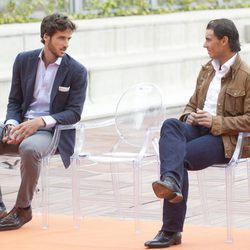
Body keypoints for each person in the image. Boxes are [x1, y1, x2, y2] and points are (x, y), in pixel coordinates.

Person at [144, 18, 250, 248]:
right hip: (197, 128)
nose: (204, 45)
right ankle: (171, 182)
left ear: (224, 41)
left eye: (208, 39)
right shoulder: (206, 70)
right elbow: (192, 104)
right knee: (171, 125)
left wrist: (215, 121)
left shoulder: (246, 75)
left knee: (176, 157)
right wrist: (188, 116)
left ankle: (171, 230)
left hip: (225, 138)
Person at [0, 13, 87, 231]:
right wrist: (11, 123)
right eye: (61, 38)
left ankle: (23, 208)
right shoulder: (23, 60)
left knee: (29, 148)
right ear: (45, 37)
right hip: (21, 124)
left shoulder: (77, 71)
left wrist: (39, 122)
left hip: (50, 131)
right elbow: (15, 101)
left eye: (68, 39)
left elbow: (74, 113)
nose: (66, 44)